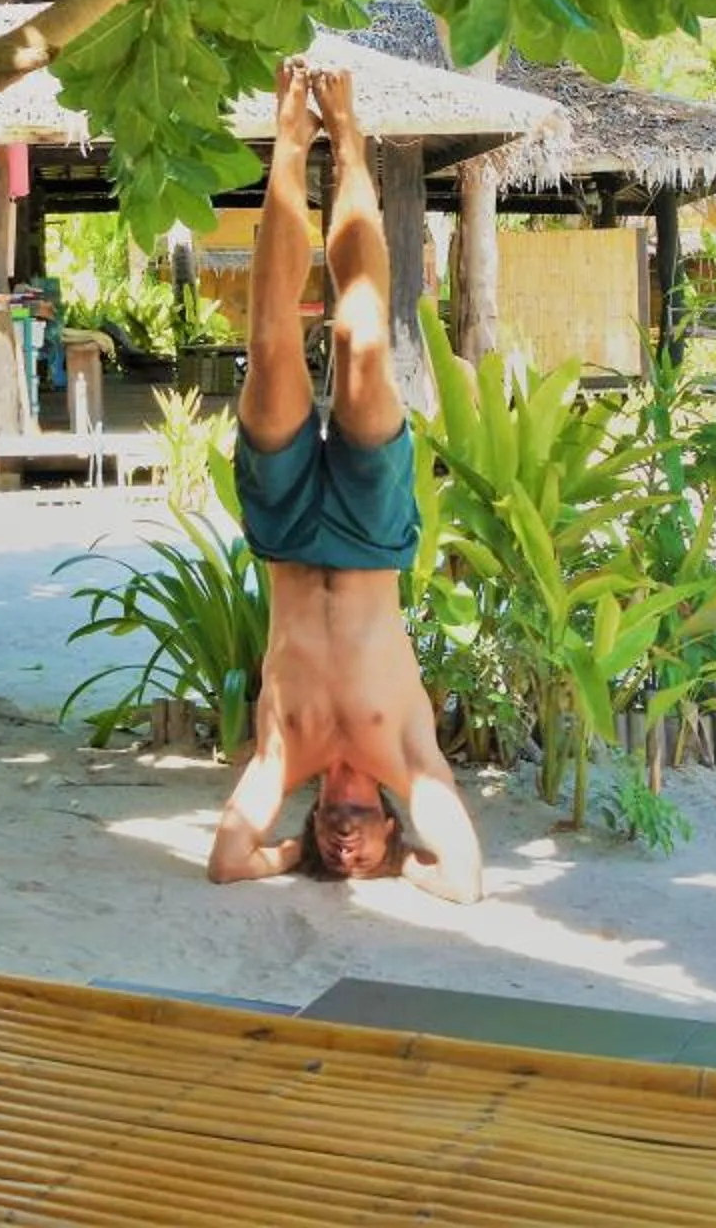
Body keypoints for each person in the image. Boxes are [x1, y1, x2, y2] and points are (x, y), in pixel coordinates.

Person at [206, 56, 485, 902]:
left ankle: (292, 146)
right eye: (358, 855)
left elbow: (227, 861)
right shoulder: (406, 756)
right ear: (396, 827)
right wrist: (403, 864)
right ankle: (353, 152)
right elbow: (465, 881)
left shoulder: (279, 759)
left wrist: (288, 857)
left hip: (286, 534)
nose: (345, 850)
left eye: (336, 858)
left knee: (271, 341)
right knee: (362, 336)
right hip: (371, 537)